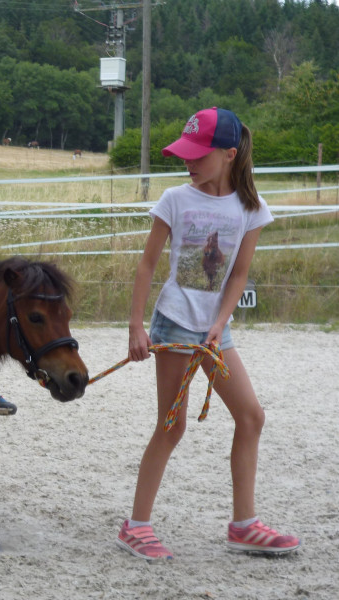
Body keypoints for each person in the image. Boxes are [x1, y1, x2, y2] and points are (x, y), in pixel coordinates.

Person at [115, 107, 300, 560]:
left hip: (216, 332)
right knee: (172, 425)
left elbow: (238, 275)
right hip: (176, 323)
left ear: (230, 154)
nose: (188, 162)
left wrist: (220, 325)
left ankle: (244, 525)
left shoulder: (250, 209)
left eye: (199, 155)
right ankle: (136, 526)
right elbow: (147, 265)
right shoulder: (175, 200)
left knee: (251, 416)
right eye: (185, 154)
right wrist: (137, 326)